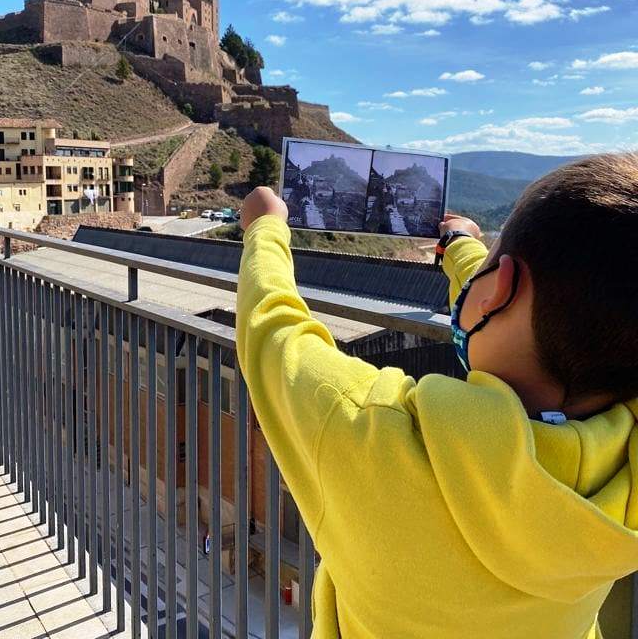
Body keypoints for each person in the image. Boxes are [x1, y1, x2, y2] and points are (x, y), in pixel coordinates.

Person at [235, 153, 638, 639]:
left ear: (500, 288)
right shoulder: (627, 469)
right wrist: (465, 248)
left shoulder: (371, 430)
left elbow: (273, 332)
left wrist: (264, 231)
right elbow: (518, 311)